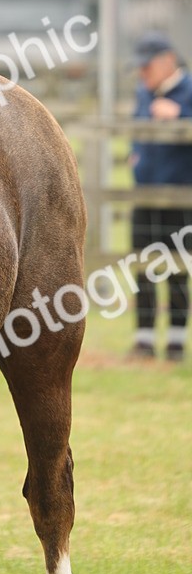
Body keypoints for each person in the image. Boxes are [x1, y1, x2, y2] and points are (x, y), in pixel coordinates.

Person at [129, 30, 192, 362]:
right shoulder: (144, 93)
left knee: (178, 269)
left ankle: (177, 342)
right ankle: (144, 340)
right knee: (144, 267)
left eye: (147, 66)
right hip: (144, 195)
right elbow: (134, 129)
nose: (143, 73)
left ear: (168, 61)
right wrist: (134, 155)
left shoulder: (189, 91)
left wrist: (181, 119)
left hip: (181, 198)